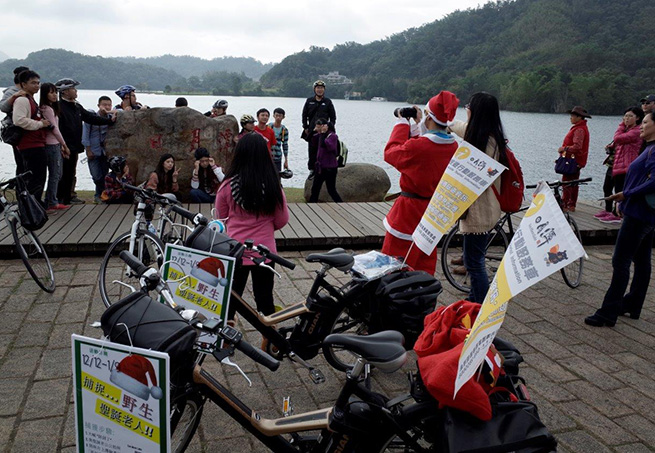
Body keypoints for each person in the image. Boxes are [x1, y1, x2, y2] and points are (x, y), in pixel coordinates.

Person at [584, 112, 655, 327]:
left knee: (620, 260)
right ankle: (632, 303)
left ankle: (608, 313)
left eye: (645, 122)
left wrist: (626, 194)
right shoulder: (649, 148)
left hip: (639, 214)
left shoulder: (653, 150)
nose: (641, 126)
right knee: (642, 260)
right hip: (645, 213)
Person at [215, 134, 289, 340]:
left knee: (232, 296)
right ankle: (270, 337)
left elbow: (220, 217)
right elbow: (282, 219)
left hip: (235, 251)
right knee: (264, 297)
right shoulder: (273, 186)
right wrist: (265, 229)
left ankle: (226, 332)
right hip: (264, 253)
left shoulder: (227, 186)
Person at [381, 91, 459, 275]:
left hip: (408, 214)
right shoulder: (454, 147)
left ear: (429, 117)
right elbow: (430, 142)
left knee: (393, 266)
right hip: (431, 214)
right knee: (423, 265)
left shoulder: (418, 147)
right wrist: (419, 125)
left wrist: (402, 123)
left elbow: (391, 153)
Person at [447, 92, 508, 302]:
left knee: (474, 263)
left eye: (469, 107)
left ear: (476, 112)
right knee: (474, 260)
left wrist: (443, 121)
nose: (467, 110)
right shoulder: (491, 137)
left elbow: (461, 128)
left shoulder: (482, 140)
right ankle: (475, 298)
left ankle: (479, 303)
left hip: (479, 213)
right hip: (487, 210)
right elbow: (461, 127)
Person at [55, 78, 115, 205]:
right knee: (61, 173)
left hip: (74, 146)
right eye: (73, 88)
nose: (76, 91)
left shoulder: (76, 106)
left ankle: (67, 199)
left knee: (70, 172)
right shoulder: (58, 107)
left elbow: (91, 118)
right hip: (62, 146)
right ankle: (59, 199)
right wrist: (61, 145)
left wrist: (109, 121)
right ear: (65, 91)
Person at [596, 106, 644, 224]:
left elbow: (618, 138)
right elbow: (619, 143)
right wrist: (611, 147)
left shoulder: (636, 131)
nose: (626, 118)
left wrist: (621, 125)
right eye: (625, 116)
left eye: (630, 116)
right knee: (607, 187)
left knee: (620, 190)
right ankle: (608, 210)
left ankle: (617, 214)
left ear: (637, 118)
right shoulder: (627, 130)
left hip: (627, 165)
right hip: (616, 163)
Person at [12, 70, 50, 204]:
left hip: (37, 143)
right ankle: (31, 207)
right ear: (23, 84)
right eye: (33, 83)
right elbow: (19, 120)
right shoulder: (22, 100)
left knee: (38, 177)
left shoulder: (31, 99)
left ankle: (35, 205)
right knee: (34, 177)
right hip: (29, 144)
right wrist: (40, 124)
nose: (37, 86)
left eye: (38, 83)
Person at [38, 82, 71, 211]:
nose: (54, 95)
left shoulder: (49, 108)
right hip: (51, 144)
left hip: (54, 144)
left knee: (57, 173)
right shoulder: (47, 109)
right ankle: (51, 201)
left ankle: (51, 199)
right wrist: (64, 145)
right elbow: (55, 129)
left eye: (55, 92)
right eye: (51, 92)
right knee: (55, 174)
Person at [557, 105, 590, 212]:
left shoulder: (579, 129)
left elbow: (577, 146)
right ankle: (571, 204)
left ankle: (565, 204)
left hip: (572, 161)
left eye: (572, 116)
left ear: (579, 117)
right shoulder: (580, 128)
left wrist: (563, 149)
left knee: (567, 182)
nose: (570, 117)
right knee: (573, 182)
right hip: (575, 160)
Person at [301, 80, 336, 178]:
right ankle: (312, 169)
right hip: (313, 130)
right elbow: (304, 115)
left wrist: (329, 127)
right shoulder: (309, 101)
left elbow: (333, 117)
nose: (319, 90)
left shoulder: (328, 102)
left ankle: (324, 167)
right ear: (314, 89)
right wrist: (305, 127)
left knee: (324, 149)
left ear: (324, 89)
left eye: (321, 88)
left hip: (324, 131)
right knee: (312, 150)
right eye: (318, 88)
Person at [82, 96, 114, 203]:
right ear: (98, 105)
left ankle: (100, 195)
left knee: (105, 175)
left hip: (106, 152)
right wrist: (88, 150)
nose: (107, 107)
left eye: (109, 105)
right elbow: (85, 135)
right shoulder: (91, 118)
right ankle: (100, 194)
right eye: (104, 105)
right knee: (96, 176)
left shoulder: (111, 118)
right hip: (93, 151)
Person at [1, 66, 29, 175]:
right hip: (17, 132)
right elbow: (3, 107)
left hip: (27, 130)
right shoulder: (11, 92)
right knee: (21, 162)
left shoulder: (27, 92)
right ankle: (20, 184)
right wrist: (14, 97)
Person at [309, 119, 342, 203]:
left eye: (319, 126)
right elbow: (310, 139)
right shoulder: (319, 135)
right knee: (315, 188)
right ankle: (311, 205)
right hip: (320, 167)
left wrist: (323, 133)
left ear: (325, 126)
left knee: (331, 190)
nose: (317, 128)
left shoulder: (333, 136)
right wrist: (313, 131)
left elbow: (327, 146)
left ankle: (341, 205)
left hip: (330, 168)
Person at [269, 107, 290, 172]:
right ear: (273, 116)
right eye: (276, 115)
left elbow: (285, 145)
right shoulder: (268, 127)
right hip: (267, 155)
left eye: (280, 116)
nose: (278, 118)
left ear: (283, 117)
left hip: (277, 156)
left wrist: (286, 160)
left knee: (277, 174)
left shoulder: (284, 130)